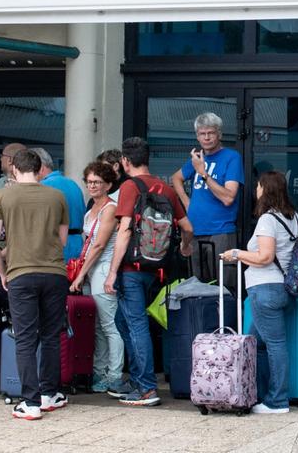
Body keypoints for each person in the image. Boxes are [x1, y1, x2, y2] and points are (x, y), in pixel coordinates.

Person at [105, 137, 195, 407]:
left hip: (131, 268)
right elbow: (188, 227)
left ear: (125, 161)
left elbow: (124, 231)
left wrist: (111, 272)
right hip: (156, 269)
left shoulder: (130, 187)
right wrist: (185, 247)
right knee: (124, 321)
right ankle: (137, 379)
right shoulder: (166, 189)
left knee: (135, 325)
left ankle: (146, 388)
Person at [0, 147, 71, 420]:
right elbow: (62, 240)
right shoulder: (57, 196)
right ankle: (50, 394)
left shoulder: (1, 195)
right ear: (39, 169)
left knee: (24, 338)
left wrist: (2, 272)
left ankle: (30, 402)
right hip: (54, 273)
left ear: (14, 169)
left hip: (20, 273)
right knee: (50, 336)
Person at [224, 171, 298, 415]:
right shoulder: (295, 218)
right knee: (256, 343)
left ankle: (277, 401)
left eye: (259, 186)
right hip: (285, 289)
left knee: (275, 344)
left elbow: (264, 257)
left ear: (266, 189)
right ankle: (258, 394)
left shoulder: (268, 220)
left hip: (265, 289)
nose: (256, 190)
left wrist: (237, 253)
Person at [71, 158, 125, 395]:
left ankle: (114, 375)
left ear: (108, 184)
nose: (92, 186)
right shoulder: (91, 207)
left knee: (109, 326)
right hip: (93, 269)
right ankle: (100, 371)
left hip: (102, 268)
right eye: (89, 181)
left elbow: (99, 244)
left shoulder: (110, 208)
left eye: (97, 182)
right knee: (99, 327)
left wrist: (79, 275)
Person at [173, 113, 244, 289]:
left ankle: (224, 318)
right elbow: (176, 178)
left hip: (221, 231)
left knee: (223, 288)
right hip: (194, 230)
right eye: (202, 133)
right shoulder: (198, 158)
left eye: (210, 133)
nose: (206, 137)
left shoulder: (231, 157)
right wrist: (186, 202)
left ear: (219, 134)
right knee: (196, 287)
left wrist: (203, 173)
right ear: (197, 135)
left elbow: (228, 197)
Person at [33, 147, 86, 262]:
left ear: (40, 167)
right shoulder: (73, 184)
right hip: (77, 246)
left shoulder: (41, 187)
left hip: (53, 248)